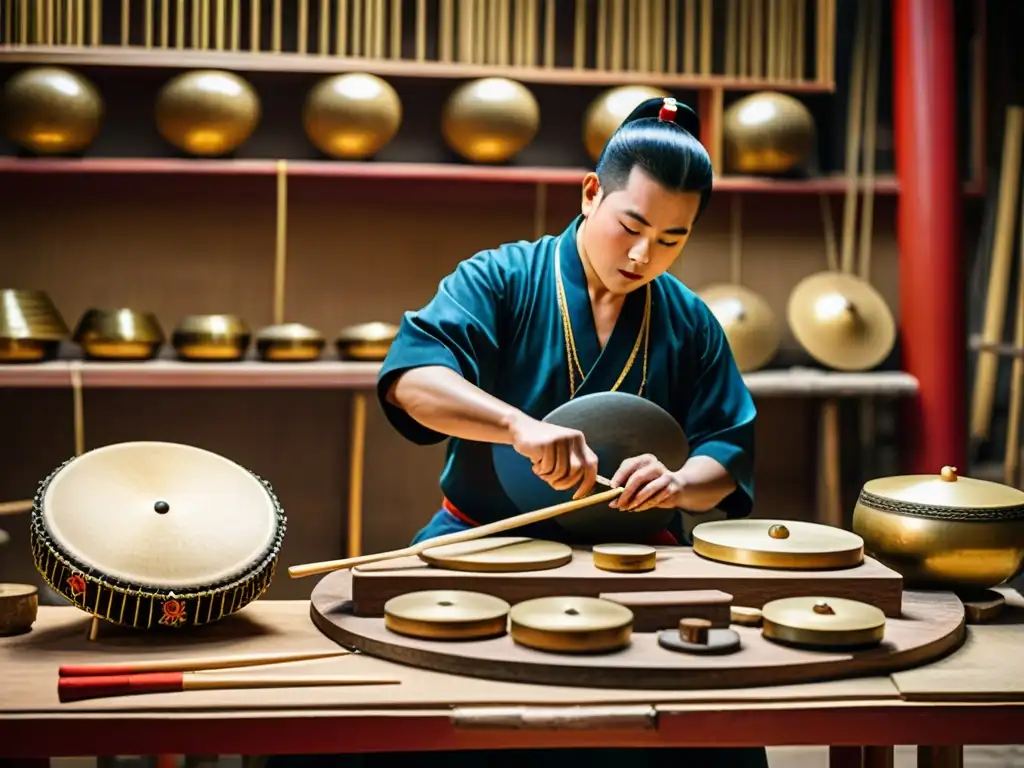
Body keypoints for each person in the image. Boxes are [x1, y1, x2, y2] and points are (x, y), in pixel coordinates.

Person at [269, 98, 765, 768]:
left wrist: (678, 485)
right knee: (371, 712)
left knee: (714, 730)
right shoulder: (501, 279)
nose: (645, 254)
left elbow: (727, 451)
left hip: (634, 555)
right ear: (591, 194)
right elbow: (412, 379)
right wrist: (516, 427)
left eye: (673, 240)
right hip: (484, 539)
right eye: (632, 225)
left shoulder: (690, 320)